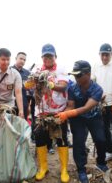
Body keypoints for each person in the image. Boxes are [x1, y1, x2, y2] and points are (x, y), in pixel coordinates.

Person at [56, 60, 108, 183]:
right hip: (78, 119)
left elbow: (86, 108)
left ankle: (101, 162)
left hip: (94, 117)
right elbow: (71, 105)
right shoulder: (72, 88)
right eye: (74, 75)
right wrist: (64, 116)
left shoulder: (97, 89)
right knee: (78, 142)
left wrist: (68, 113)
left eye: (79, 75)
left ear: (88, 74)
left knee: (100, 139)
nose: (76, 77)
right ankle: (81, 169)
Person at [25, 44, 69, 182]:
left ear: (55, 56)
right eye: (45, 56)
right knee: (39, 137)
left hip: (59, 111)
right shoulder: (38, 69)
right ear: (42, 57)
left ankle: (64, 169)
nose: (47, 58)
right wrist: (31, 82)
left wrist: (50, 85)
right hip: (41, 111)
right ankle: (43, 167)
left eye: (50, 56)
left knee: (61, 138)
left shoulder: (61, 69)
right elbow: (28, 85)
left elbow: (64, 86)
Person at [0, 48, 24, 166]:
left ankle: (10, 162)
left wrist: (21, 111)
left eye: (8, 59)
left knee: (9, 135)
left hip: (10, 107)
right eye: (3, 59)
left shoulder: (15, 74)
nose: (6, 62)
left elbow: (18, 93)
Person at [91, 43, 112, 169]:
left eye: (107, 55)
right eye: (103, 54)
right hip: (102, 103)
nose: (105, 57)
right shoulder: (95, 66)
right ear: (99, 54)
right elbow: (93, 82)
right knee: (104, 130)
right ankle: (109, 151)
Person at [11, 52, 31, 120]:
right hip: (11, 103)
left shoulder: (27, 73)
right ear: (16, 58)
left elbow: (30, 90)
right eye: (21, 58)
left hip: (24, 103)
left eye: (24, 60)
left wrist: (28, 105)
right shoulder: (9, 70)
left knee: (22, 125)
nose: (22, 61)